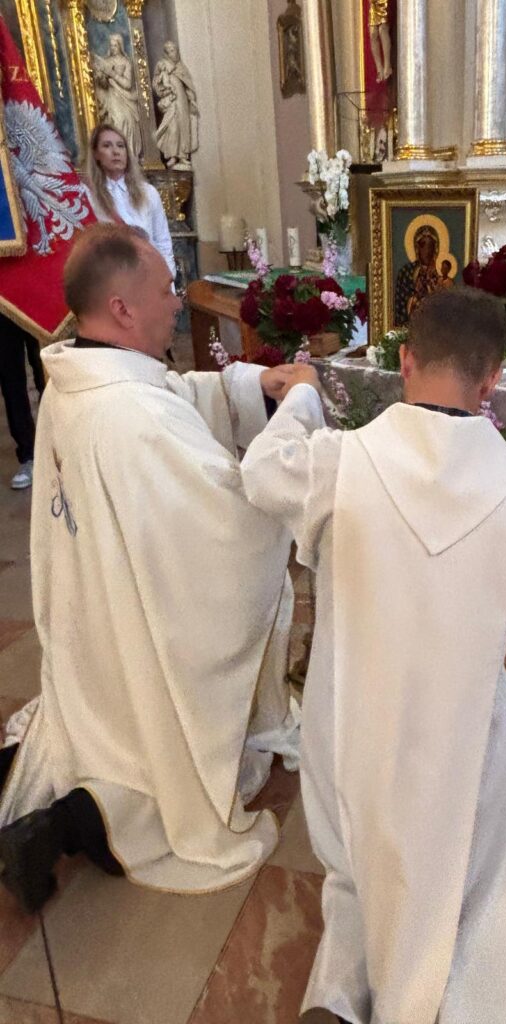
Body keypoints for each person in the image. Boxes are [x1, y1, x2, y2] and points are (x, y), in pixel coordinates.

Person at [240, 287, 506, 1024]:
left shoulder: (338, 464)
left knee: (356, 866)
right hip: (459, 735)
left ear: (405, 362)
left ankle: (344, 994)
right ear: (491, 382)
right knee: (478, 863)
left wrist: (305, 397)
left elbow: (260, 471)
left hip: (354, 722)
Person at [0, 223, 302, 913]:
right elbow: (231, 517)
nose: (176, 300)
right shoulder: (130, 415)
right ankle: (59, 831)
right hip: (137, 630)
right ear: (122, 308)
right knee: (160, 765)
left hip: (93, 622)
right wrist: (292, 443)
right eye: (166, 289)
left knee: (85, 731)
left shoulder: (80, 378)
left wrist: (255, 383)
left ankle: (37, 799)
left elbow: (170, 393)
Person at [85, 123, 176, 279]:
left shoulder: (148, 192)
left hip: (148, 276)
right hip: (112, 278)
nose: (116, 151)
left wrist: (167, 277)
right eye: (107, 145)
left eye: (120, 146)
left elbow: (162, 241)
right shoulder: (88, 196)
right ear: (96, 154)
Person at [0, 313, 37, 489]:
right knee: (11, 380)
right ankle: (28, 456)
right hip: (4, 306)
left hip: (39, 301)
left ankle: (64, 447)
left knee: (50, 370)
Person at [92, 34, 142, 159]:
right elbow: (103, 85)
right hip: (110, 97)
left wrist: (113, 74)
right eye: (111, 46)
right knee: (118, 121)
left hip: (124, 97)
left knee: (128, 120)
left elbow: (128, 84)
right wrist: (101, 77)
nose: (113, 48)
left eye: (115, 45)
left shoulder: (126, 62)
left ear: (120, 46)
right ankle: (117, 155)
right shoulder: (107, 61)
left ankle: (129, 155)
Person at [152, 41, 199, 171]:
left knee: (184, 126)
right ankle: (172, 155)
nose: (175, 53)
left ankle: (183, 155)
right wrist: (164, 90)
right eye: (172, 51)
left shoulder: (180, 67)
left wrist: (191, 99)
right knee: (172, 127)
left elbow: (188, 85)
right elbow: (156, 83)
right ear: (166, 53)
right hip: (171, 101)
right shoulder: (162, 65)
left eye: (175, 50)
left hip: (182, 100)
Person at [393, 223, 440, 326]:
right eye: (423, 246)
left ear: (435, 249)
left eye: (430, 246)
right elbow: (401, 303)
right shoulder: (406, 272)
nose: (427, 251)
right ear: (417, 248)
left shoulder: (439, 274)